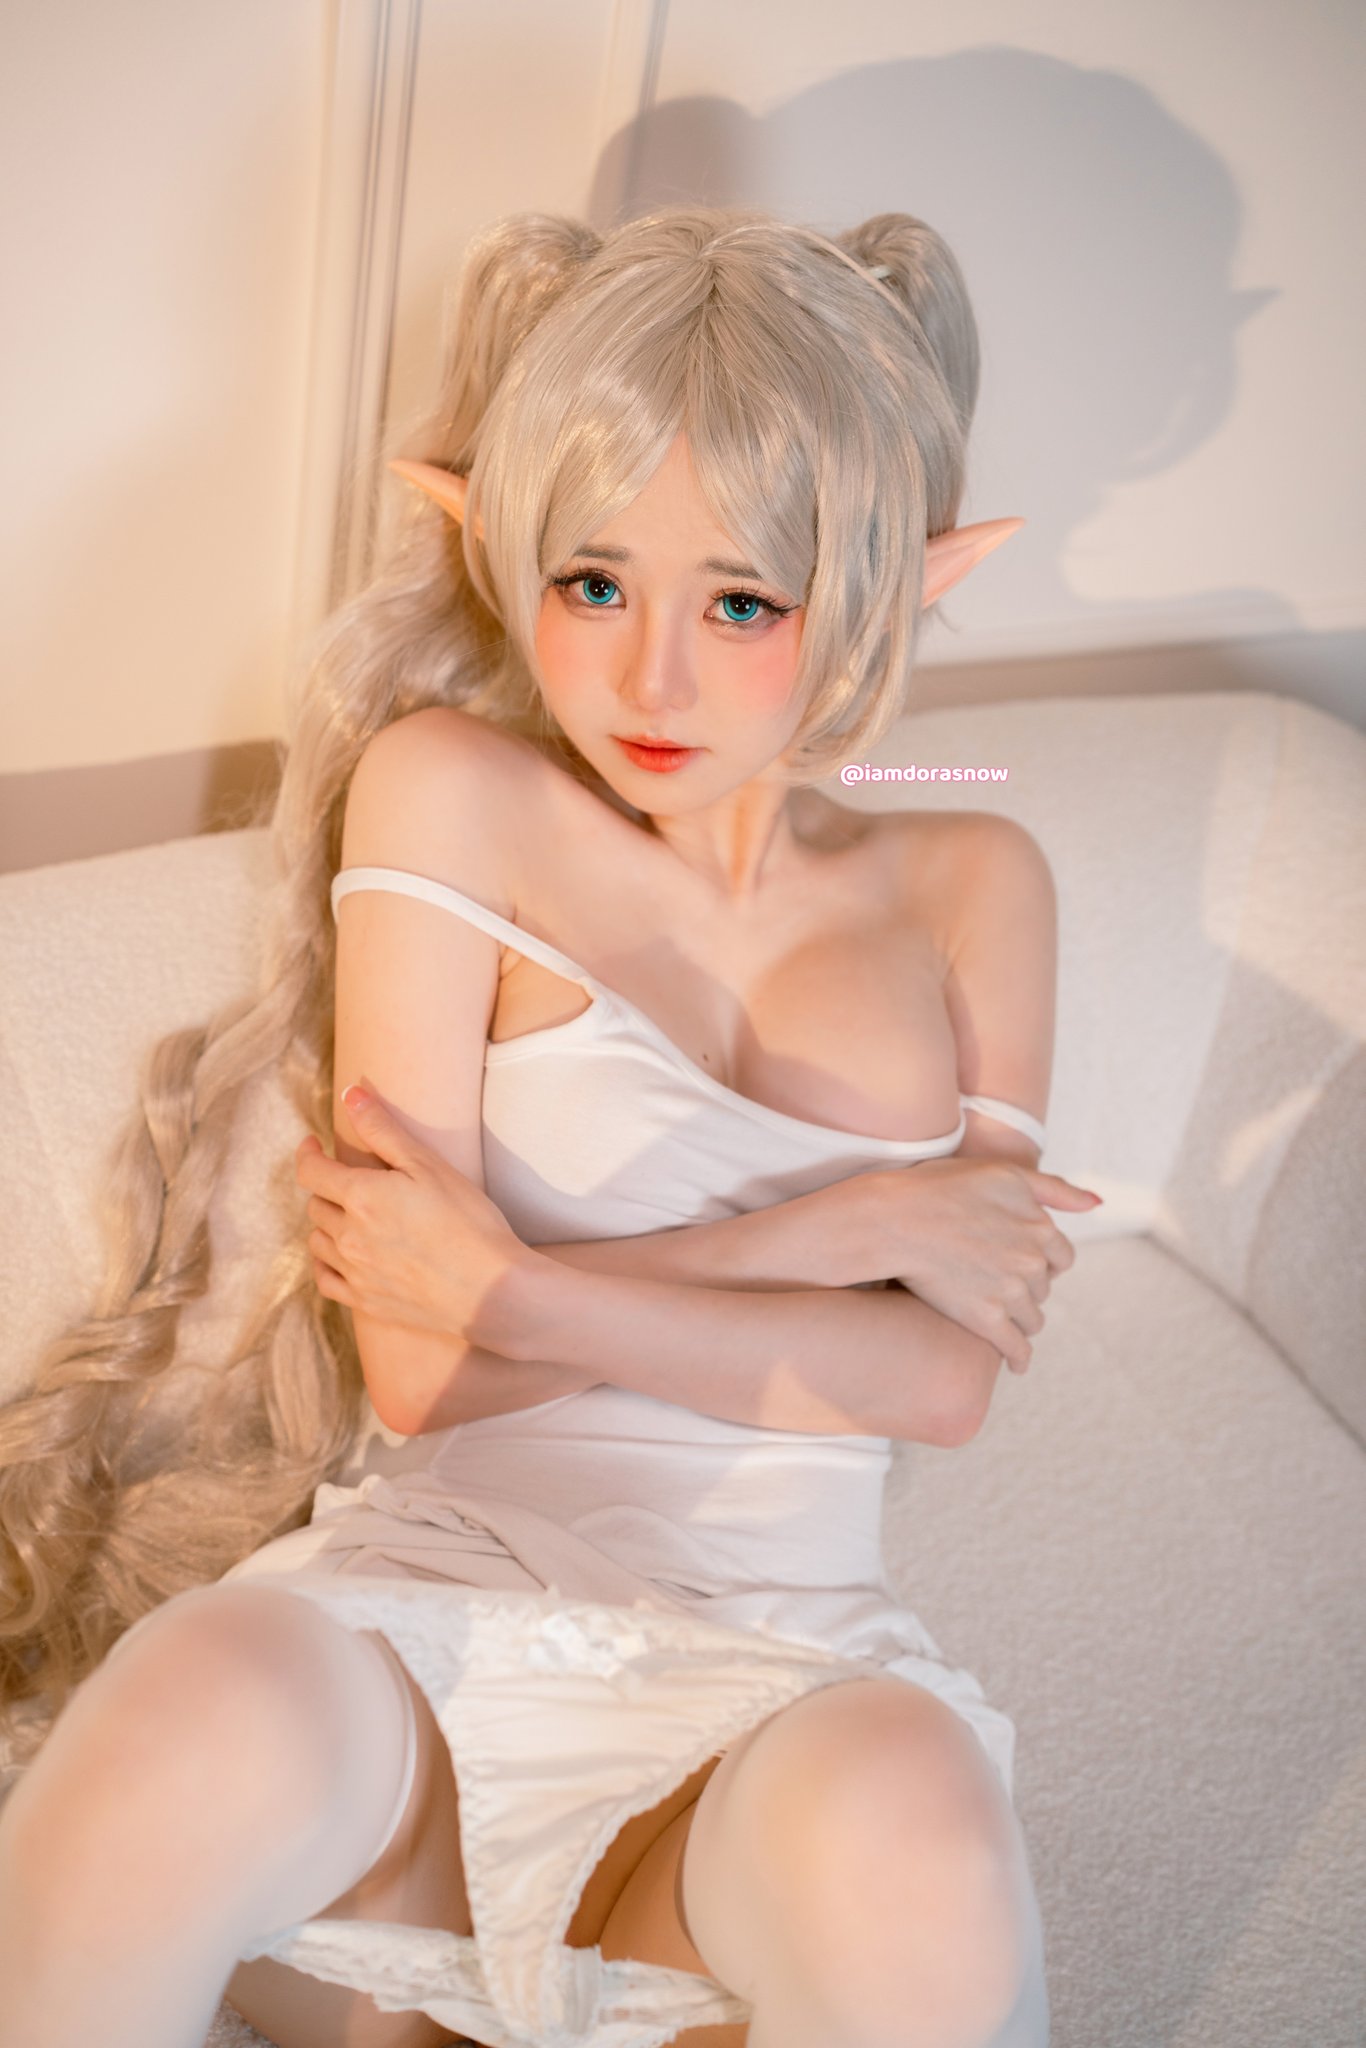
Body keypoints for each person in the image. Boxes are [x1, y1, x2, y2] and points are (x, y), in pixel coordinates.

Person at [0, 205, 1101, 2048]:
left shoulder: (974, 872)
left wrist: (520, 1286)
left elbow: (937, 1386)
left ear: (907, 583)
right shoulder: (453, 793)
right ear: (492, 543)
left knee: (911, 1830)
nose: (649, 680)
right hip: (429, 1633)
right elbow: (425, 1370)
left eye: (741, 602)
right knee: (183, 1715)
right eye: (592, 584)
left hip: (775, 1689)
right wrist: (828, 1240)